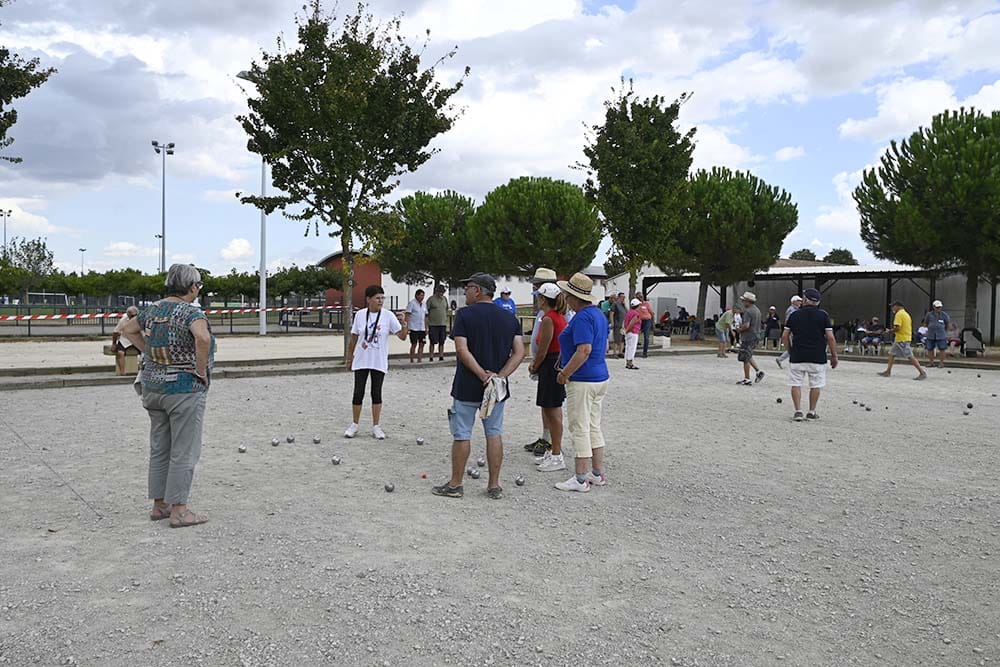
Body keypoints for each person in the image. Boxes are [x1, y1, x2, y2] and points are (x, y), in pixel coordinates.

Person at [120, 264, 215, 529]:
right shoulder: (190, 312)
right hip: (183, 389)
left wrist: (149, 352)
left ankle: (159, 505)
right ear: (192, 287)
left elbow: (128, 330)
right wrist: (200, 370)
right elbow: (202, 339)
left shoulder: (153, 309)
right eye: (199, 286)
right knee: (184, 449)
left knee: (160, 448)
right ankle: (180, 511)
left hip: (153, 388)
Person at [433, 273, 524, 500]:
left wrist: (481, 374)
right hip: (496, 388)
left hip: (467, 384)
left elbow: (462, 350)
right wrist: (498, 376)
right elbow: (520, 352)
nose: (465, 293)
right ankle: (494, 485)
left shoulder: (464, 315)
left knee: (462, 433)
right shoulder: (510, 318)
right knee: (494, 433)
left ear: (477, 290)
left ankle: (456, 484)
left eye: (468, 289)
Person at [554, 273, 610, 493]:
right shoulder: (598, 315)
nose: (566, 299)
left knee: (579, 426)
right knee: (593, 425)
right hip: (599, 376)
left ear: (574, 297)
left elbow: (583, 349)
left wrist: (564, 373)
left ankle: (580, 478)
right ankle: (597, 473)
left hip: (582, 379)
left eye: (568, 295)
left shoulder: (582, 318)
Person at [345, 285, 410, 439]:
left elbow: (401, 336)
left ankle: (376, 426)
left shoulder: (388, 316)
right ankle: (354, 424)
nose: (380, 301)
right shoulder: (360, 315)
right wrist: (350, 357)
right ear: (368, 299)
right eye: (377, 298)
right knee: (358, 392)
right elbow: (354, 337)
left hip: (378, 361)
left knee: (376, 393)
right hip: (362, 360)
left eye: (382, 298)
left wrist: (405, 324)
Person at [527, 283, 568, 473]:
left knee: (553, 411)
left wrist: (534, 366)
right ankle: (553, 451)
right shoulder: (556, 317)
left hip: (550, 365)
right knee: (552, 409)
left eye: (539, 296)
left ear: (544, 299)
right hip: (553, 364)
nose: (537, 299)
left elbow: (543, 349)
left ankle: (557, 454)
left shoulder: (549, 319)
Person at [782, 288, 838, 421]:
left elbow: (785, 336)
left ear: (805, 299)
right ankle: (812, 412)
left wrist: (789, 350)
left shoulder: (794, 315)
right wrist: (834, 355)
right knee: (815, 385)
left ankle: (798, 411)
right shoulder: (823, 316)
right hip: (817, 356)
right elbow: (830, 338)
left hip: (798, 355)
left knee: (796, 383)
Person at [523, 267, 559, 456]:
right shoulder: (542, 312)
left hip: (549, 362)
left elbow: (549, 343)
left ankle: (551, 441)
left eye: (537, 284)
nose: (534, 287)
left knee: (551, 404)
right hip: (543, 362)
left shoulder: (556, 313)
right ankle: (545, 437)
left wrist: (536, 363)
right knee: (545, 403)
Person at [877, 301, 927, 380]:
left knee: (910, 356)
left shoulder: (899, 314)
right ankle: (888, 371)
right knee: (892, 354)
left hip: (902, 339)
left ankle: (922, 372)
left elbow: (898, 328)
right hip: (902, 338)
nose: (892, 308)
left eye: (893, 306)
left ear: (897, 306)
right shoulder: (906, 314)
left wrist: (889, 331)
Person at [735, 291, 764, 385]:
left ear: (748, 301)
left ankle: (747, 378)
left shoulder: (748, 311)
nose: (743, 303)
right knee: (749, 354)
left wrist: (739, 329)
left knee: (745, 357)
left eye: (744, 301)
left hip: (748, 336)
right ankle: (758, 371)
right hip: (756, 335)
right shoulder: (757, 310)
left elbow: (746, 325)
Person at [922, 299, 951, 368]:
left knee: (942, 349)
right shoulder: (929, 314)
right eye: (937, 307)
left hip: (941, 335)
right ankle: (931, 362)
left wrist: (945, 332)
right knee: (930, 348)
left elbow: (947, 324)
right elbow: (925, 323)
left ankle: (941, 363)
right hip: (930, 334)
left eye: (940, 307)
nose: (938, 309)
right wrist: (926, 330)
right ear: (934, 307)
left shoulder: (944, 315)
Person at [112, 305, 139, 375]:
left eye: (136, 315)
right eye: (132, 316)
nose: (134, 317)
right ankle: (122, 372)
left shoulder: (140, 320)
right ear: (128, 315)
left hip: (137, 339)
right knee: (120, 353)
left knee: (146, 352)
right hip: (125, 340)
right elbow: (115, 332)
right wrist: (114, 344)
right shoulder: (123, 320)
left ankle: (144, 371)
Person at [775, 295, 801, 367]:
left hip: (793, 331)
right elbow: (788, 321)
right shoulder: (792, 310)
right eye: (798, 301)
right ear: (794, 302)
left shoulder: (795, 310)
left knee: (792, 347)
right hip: (793, 331)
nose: (800, 302)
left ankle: (781, 359)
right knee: (794, 347)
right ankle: (792, 362)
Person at [426, 284, 449, 361]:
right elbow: (427, 311)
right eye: (439, 292)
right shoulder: (431, 299)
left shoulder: (445, 299)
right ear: (436, 291)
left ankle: (441, 356)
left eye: (442, 292)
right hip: (433, 324)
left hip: (443, 324)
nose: (441, 293)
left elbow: (446, 309)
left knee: (442, 341)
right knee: (432, 341)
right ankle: (431, 356)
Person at [405, 289, 428, 363]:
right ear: (417, 295)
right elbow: (407, 315)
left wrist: (426, 327)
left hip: (422, 328)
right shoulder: (412, 303)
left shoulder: (424, 304)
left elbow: (425, 316)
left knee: (422, 344)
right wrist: (407, 326)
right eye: (421, 295)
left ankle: (419, 359)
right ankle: (412, 359)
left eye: (423, 295)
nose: (422, 297)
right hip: (414, 327)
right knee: (414, 344)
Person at [622, 298, 642, 369]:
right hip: (633, 332)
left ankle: (627, 362)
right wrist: (627, 330)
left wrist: (625, 330)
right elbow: (632, 323)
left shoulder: (629, 312)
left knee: (628, 347)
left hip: (628, 333)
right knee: (632, 348)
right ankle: (630, 363)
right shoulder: (636, 313)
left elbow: (625, 321)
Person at [635, 291, 653, 357]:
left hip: (647, 321)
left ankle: (645, 353)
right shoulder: (636, 304)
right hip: (639, 321)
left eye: (641, 296)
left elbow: (651, 312)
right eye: (639, 297)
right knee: (635, 335)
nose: (641, 298)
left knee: (646, 337)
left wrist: (653, 322)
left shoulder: (646, 304)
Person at [610, 292, 627, 359]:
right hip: (617, 324)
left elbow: (626, 312)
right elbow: (612, 313)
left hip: (623, 325)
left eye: (624, 297)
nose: (623, 298)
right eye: (622, 297)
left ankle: (620, 352)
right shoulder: (615, 304)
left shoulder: (623, 305)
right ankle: (614, 353)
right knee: (617, 339)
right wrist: (612, 322)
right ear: (619, 297)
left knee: (622, 339)